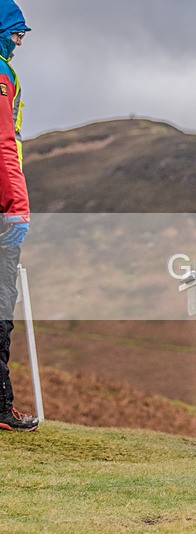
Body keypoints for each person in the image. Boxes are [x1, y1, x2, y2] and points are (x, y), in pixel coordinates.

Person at [0, 0, 36, 432]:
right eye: (15, 31)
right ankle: (0, 407)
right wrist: (18, 208)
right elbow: (4, 145)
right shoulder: (2, 75)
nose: (19, 40)